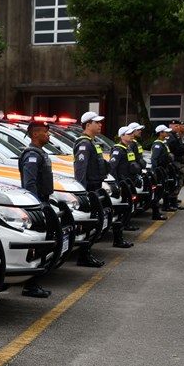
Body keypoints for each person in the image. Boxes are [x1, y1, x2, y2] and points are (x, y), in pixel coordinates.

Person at [17, 120, 53, 298]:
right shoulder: (32, 154)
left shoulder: (40, 153)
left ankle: (34, 282)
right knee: (38, 246)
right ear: (36, 134)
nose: (49, 135)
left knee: (43, 245)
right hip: (36, 204)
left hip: (43, 202)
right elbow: (30, 183)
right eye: (45, 132)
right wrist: (35, 206)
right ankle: (31, 285)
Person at [72, 111, 108, 267]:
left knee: (95, 221)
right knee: (90, 222)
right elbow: (81, 170)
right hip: (89, 189)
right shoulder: (84, 144)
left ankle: (86, 253)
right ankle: (84, 255)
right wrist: (82, 193)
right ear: (88, 125)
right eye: (97, 122)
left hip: (96, 187)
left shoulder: (92, 142)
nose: (100, 125)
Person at [107, 126, 140, 234]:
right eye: (128, 134)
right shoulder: (118, 150)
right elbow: (112, 168)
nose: (131, 135)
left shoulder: (128, 148)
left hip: (129, 181)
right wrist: (116, 185)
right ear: (122, 136)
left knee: (130, 204)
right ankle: (119, 230)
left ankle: (126, 223)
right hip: (122, 183)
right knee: (123, 206)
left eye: (132, 133)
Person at [151, 124, 178, 212]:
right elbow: (154, 159)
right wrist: (155, 171)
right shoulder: (157, 145)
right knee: (159, 190)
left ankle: (167, 205)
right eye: (166, 132)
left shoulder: (163, 143)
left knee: (166, 188)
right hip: (160, 170)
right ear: (161, 133)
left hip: (165, 169)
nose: (168, 134)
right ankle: (157, 210)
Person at [166, 119, 184, 208]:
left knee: (179, 181)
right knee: (175, 182)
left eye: (178, 126)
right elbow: (171, 151)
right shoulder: (170, 137)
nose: (178, 127)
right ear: (170, 126)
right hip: (175, 162)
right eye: (175, 126)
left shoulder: (177, 136)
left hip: (180, 161)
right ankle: (172, 202)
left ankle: (174, 200)